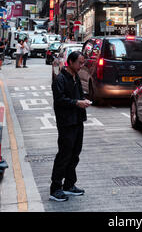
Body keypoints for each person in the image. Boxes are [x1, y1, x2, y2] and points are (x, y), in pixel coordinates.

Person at [50, 51, 91, 202]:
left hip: (77, 120)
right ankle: (55, 188)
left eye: (83, 63)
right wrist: (76, 103)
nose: (82, 66)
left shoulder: (76, 78)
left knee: (75, 153)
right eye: (79, 63)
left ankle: (69, 184)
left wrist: (83, 100)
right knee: (64, 154)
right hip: (66, 122)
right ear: (70, 62)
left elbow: (79, 95)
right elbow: (60, 100)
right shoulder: (60, 79)